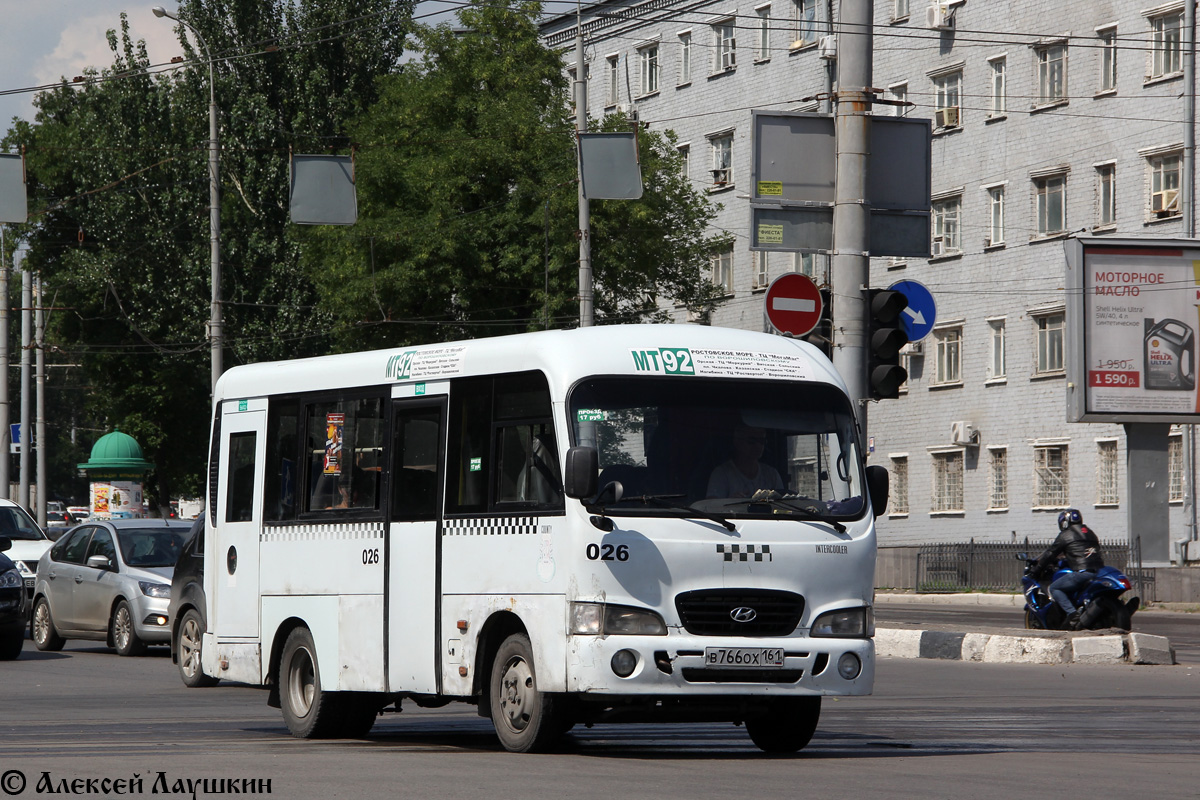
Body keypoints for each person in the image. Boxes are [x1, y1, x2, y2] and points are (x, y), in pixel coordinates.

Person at [1034, 508, 1104, 629]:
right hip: (1099, 572)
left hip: (1082, 572)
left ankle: (1072, 614)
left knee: (1055, 587)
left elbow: (1050, 554)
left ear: (1065, 522)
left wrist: (1036, 570)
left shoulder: (1066, 535)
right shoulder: (1090, 532)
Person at [706, 424, 785, 498]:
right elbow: (710, 507)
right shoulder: (721, 474)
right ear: (737, 442)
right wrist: (730, 503)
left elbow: (783, 506)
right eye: (752, 441)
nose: (758, 446)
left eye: (762, 441)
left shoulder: (772, 475)